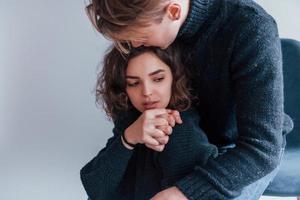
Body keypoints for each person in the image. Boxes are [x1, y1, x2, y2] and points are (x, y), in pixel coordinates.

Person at [84, 0, 295, 199]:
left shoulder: (250, 27)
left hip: (240, 150)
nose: (134, 44)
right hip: (174, 139)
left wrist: (186, 192)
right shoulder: (141, 24)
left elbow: (262, 149)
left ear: (173, 12)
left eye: (141, 35)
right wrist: (128, 138)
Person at [80, 45, 218, 200]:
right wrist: (128, 138)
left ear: (175, 77)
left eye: (158, 79)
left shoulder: (179, 128)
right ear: (124, 88)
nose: (146, 92)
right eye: (133, 83)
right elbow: (95, 188)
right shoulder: (130, 121)